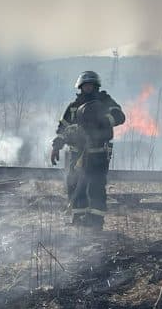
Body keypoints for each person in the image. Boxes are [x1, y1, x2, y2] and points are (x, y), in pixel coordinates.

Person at [50, 71, 125, 228]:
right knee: (74, 184)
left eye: (91, 85)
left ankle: (96, 221)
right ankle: (78, 218)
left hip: (98, 152)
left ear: (96, 86)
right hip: (76, 154)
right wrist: (56, 146)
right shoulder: (73, 107)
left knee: (96, 185)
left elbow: (119, 116)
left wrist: (102, 121)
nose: (88, 88)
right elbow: (62, 129)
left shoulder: (105, 102)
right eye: (85, 86)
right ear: (80, 87)